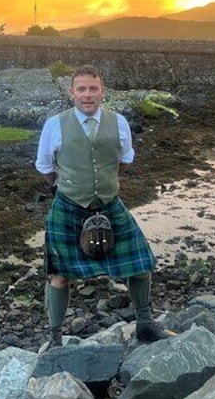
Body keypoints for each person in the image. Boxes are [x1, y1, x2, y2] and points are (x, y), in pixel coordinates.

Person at [35, 65, 172, 347]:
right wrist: (69, 186)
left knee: (141, 264)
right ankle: (55, 339)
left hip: (109, 205)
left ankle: (145, 324)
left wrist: (105, 185)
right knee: (59, 276)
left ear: (102, 92)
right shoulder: (54, 125)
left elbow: (125, 159)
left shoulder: (119, 123)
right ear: (72, 93)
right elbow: (46, 167)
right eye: (82, 89)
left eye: (93, 89)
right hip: (69, 207)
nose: (88, 95)